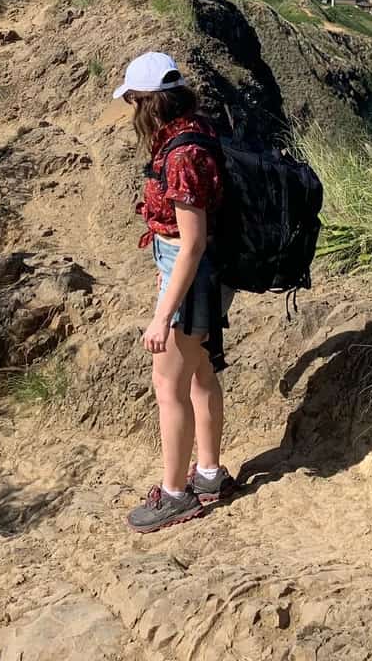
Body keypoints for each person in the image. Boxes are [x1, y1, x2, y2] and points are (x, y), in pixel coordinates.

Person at [113, 51, 237, 533]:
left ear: (150, 103)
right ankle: (208, 474)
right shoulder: (197, 129)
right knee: (201, 372)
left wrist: (163, 314)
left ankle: (175, 495)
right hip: (207, 271)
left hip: (192, 274)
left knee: (170, 385)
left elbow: (192, 243)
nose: (131, 113)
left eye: (133, 103)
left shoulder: (182, 155)